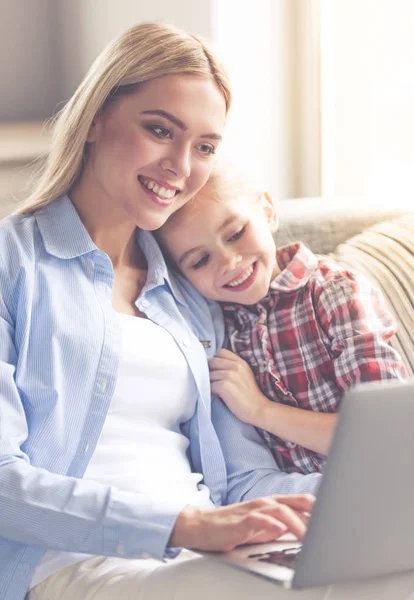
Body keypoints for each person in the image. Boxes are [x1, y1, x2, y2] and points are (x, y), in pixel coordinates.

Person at [0, 21, 320, 600]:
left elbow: (240, 476)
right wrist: (188, 528)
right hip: (75, 566)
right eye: (158, 130)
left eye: (204, 147)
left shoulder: (189, 290)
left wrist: (349, 497)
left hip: (202, 556)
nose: (180, 166)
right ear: (96, 118)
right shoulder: (13, 265)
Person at [157, 163, 407, 474]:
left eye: (236, 233)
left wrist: (260, 410)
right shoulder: (220, 326)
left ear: (268, 212)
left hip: (380, 482)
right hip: (294, 504)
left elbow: (382, 433)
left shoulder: (334, 293)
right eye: (201, 260)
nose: (230, 262)